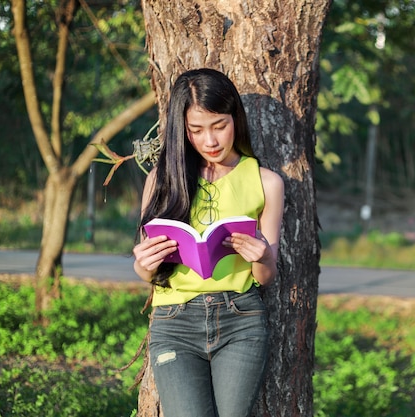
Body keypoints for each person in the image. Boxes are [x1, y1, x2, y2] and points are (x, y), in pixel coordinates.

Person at [132, 68, 284, 417]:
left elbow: (266, 277)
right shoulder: (162, 179)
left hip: (240, 318)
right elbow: (145, 273)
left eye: (219, 126)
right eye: (196, 130)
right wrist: (144, 263)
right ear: (181, 130)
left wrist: (262, 256)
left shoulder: (267, 182)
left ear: (236, 119)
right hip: (174, 322)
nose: (210, 141)